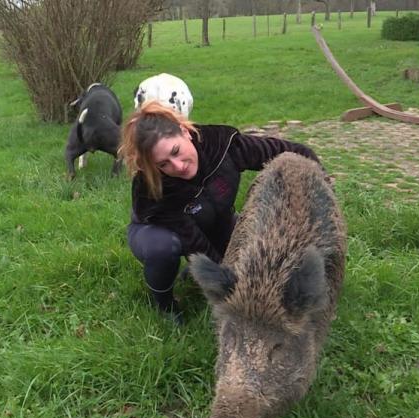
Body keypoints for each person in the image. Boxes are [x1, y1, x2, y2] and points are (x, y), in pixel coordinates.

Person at [119, 101, 326, 324]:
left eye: (176, 151)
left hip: (215, 219)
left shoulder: (224, 146)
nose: (177, 166)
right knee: (164, 248)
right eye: (164, 164)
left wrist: (320, 181)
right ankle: (164, 302)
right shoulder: (154, 190)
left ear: (185, 132)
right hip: (157, 231)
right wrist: (229, 286)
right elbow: (192, 240)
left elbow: (289, 153)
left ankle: (195, 271)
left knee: (252, 253)